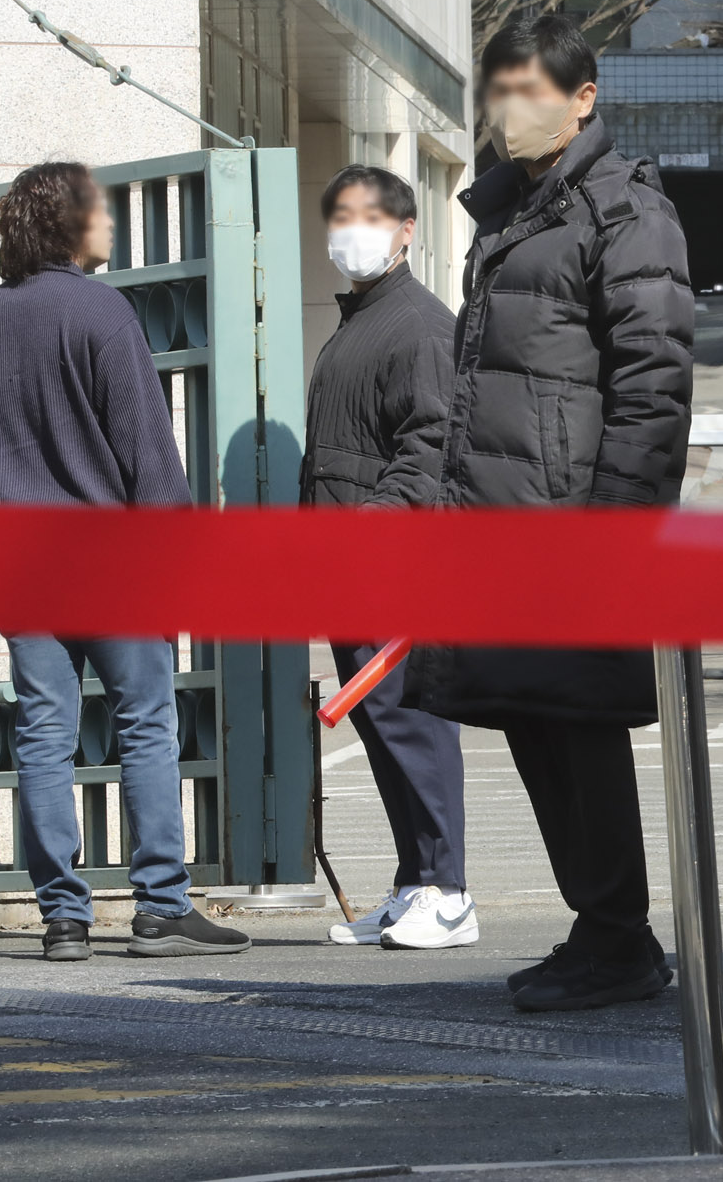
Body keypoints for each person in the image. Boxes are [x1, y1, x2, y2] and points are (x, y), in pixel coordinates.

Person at [437, 14, 695, 1012]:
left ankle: (617, 935)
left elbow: (654, 384)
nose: (512, 110)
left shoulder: (622, 208)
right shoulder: (514, 209)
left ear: (583, 97)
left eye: (531, 91)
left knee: (578, 727)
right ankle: (605, 928)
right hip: (506, 521)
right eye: (499, 91)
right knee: (538, 721)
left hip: (571, 523)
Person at [0, 162, 249, 961]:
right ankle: (161, 907)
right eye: (99, 210)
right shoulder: (103, 313)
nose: (109, 222)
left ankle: (63, 918)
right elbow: (147, 452)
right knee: (145, 722)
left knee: (44, 731)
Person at [301, 164, 474, 951]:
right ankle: (415, 884)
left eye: (371, 217)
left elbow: (430, 448)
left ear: (408, 230)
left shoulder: (420, 326)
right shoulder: (361, 322)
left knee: (413, 723)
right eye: (341, 216)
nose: (353, 231)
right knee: (382, 726)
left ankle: (450, 891)